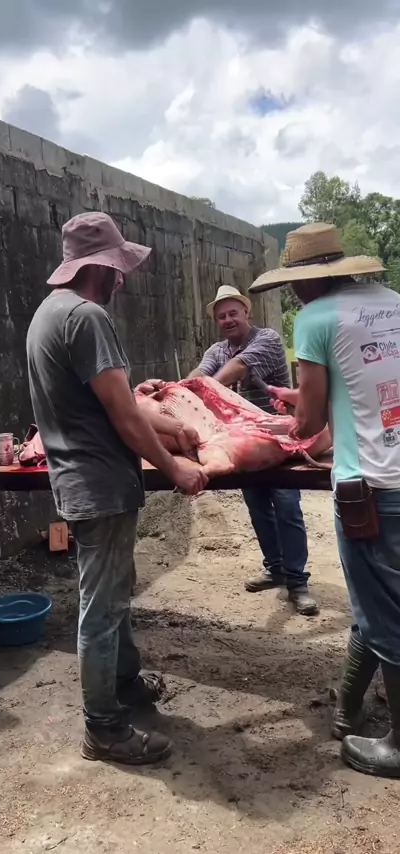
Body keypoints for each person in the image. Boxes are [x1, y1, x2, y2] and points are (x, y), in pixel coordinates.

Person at [26, 212, 207, 766]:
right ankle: (103, 728)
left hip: (81, 480)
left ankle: (124, 683)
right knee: (102, 608)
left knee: (113, 595)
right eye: (117, 267)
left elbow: (119, 403)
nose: (122, 279)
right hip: (100, 483)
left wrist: (171, 429)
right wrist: (174, 468)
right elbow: (124, 415)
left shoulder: (47, 314)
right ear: (101, 268)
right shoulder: (87, 317)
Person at [249, 221, 400, 778]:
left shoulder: (315, 318)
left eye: (293, 282)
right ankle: (347, 708)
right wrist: (311, 398)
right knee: (378, 601)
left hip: (371, 490)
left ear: (308, 279)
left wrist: (293, 417)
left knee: (386, 615)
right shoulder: (392, 302)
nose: (293, 292)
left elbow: (310, 424)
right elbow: (369, 389)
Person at [188, 284, 317, 616]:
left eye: (233, 313)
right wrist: (179, 389)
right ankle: (275, 570)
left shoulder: (267, 339)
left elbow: (237, 368)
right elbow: (199, 374)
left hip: (278, 436)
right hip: (242, 440)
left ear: (247, 312)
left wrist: (203, 388)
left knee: (286, 506)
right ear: (217, 321)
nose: (228, 320)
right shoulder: (217, 350)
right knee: (258, 506)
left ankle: (297, 583)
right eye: (222, 316)